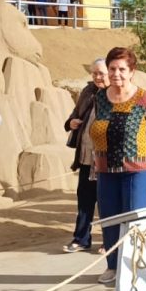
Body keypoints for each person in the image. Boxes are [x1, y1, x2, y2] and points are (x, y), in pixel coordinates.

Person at [88, 47, 146, 284]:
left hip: (138, 171)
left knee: (136, 222)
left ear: (132, 72)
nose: (116, 74)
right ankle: (113, 267)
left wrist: (145, 150)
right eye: (112, 68)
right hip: (106, 170)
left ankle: (135, 271)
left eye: (122, 69)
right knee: (110, 220)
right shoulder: (100, 98)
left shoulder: (144, 99)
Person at [63, 59, 108, 253]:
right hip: (85, 158)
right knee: (84, 200)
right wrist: (71, 122)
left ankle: (110, 240)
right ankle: (81, 238)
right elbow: (75, 113)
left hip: (106, 161)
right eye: (94, 73)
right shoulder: (88, 91)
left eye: (101, 73)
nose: (97, 77)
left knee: (107, 201)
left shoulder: (115, 95)